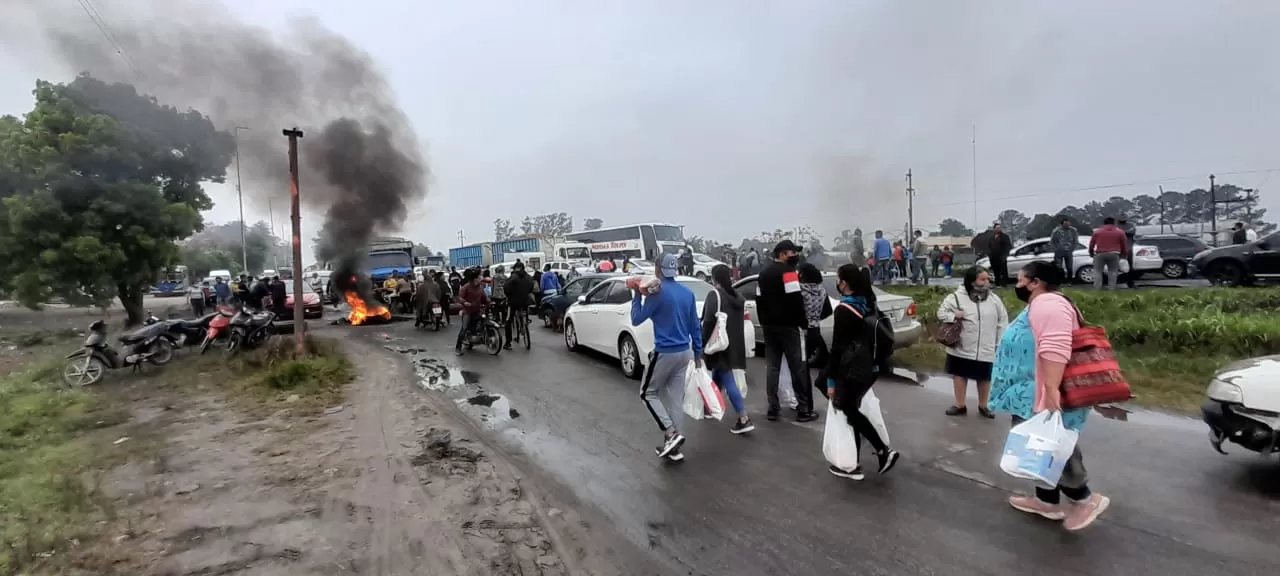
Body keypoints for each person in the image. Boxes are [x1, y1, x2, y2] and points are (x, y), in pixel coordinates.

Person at [989, 261, 1110, 531]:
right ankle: (1046, 501)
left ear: (1036, 282)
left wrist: (1051, 388)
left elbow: (1055, 346)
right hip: (1031, 390)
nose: (1016, 284)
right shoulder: (1042, 303)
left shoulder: (1048, 304)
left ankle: (1085, 500)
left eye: (1020, 279)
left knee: (1055, 443)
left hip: (1044, 389)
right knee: (1038, 445)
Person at [823, 264, 901, 480]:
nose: (837, 283)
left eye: (838, 279)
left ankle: (879, 453)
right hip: (871, 367)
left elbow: (838, 347)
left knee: (848, 409)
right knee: (853, 410)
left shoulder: (844, 309)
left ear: (844, 283)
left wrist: (830, 380)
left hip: (852, 370)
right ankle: (857, 461)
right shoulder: (867, 302)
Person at [632, 253, 703, 461]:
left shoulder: (657, 294)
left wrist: (637, 294)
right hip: (685, 353)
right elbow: (695, 327)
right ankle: (674, 448)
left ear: (658, 269)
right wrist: (698, 354)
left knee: (648, 394)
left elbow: (636, 319)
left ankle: (671, 433)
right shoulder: (687, 294)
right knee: (675, 401)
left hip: (665, 352)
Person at [756, 240, 818, 422]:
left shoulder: (763, 274)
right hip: (789, 327)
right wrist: (803, 323)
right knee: (797, 366)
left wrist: (764, 321)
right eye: (792, 252)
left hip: (769, 326)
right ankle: (804, 409)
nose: (795, 256)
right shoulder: (789, 273)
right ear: (782, 254)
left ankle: (773, 408)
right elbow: (795, 301)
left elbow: (759, 301)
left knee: (773, 367)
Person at [937, 267, 1008, 418]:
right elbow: (941, 313)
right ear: (971, 281)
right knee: (960, 375)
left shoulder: (994, 300)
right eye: (982, 279)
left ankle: (983, 406)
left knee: (984, 377)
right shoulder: (955, 297)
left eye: (987, 279)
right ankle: (960, 405)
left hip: (986, 347)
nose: (986, 282)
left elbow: (1002, 321)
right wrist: (953, 316)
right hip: (962, 346)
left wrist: (999, 342)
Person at [700, 264, 753, 434]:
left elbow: (708, 322)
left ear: (714, 278)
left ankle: (743, 418)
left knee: (727, 379)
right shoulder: (737, 296)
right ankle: (710, 407)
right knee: (719, 374)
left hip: (718, 345)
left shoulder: (714, 295)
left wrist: (702, 344)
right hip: (733, 344)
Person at [798, 263, 832, 368]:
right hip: (815, 331)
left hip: (800, 331)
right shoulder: (822, 290)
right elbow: (828, 310)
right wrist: (815, 317)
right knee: (805, 363)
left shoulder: (799, 290)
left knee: (797, 365)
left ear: (802, 274)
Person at [454, 269, 490, 356]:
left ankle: (473, 340)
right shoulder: (466, 287)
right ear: (474, 279)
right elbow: (459, 297)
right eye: (478, 278)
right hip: (467, 311)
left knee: (479, 324)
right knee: (464, 328)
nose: (480, 279)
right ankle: (458, 348)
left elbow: (484, 298)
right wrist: (464, 302)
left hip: (477, 310)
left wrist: (490, 302)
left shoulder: (480, 287)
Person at [1088, 217, 1128, 290]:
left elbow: (1092, 244)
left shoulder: (1097, 232)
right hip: (1114, 254)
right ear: (1114, 223)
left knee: (1098, 272)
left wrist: (1091, 253)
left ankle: (1097, 288)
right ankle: (1111, 289)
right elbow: (1124, 245)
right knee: (1113, 272)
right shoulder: (1120, 232)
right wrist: (1124, 254)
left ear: (1104, 223)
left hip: (1100, 253)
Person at [503, 262, 535, 345]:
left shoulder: (513, 277)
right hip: (525, 301)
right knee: (524, 312)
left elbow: (506, 288)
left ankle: (508, 342)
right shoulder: (528, 277)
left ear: (517, 268)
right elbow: (531, 288)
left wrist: (509, 295)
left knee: (508, 321)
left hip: (513, 302)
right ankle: (525, 322)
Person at [986, 223, 1014, 287]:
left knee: (1003, 271)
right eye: (997, 228)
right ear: (994, 229)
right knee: (996, 271)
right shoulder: (991, 237)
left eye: (999, 228)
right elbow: (989, 246)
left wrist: (1005, 256)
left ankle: (1004, 284)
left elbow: (1008, 247)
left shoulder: (1005, 237)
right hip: (993, 257)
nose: (998, 229)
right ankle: (997, 283)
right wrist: (990, 254)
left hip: (1002, 257)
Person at [490, 265, 511, 348]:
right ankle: (503, 321)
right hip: (503, 295)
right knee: (504, 309)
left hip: (495, 295)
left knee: (496, 309)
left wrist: (492, 294)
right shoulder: (506, 277)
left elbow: (492, 287)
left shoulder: (494, 278)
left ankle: (497, 320)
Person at [1118, 218, 1137, 288]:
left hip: (1127, 249)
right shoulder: (1116, 226)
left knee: (1129, 267)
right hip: (1120, 249)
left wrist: (1121, 232)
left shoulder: (1130, 225)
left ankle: (1130, 283)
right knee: (1119, 267)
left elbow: (1132, 231)